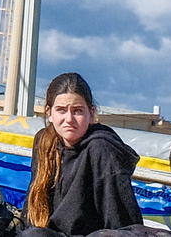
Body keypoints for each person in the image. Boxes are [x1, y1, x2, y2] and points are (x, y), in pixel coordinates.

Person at [24, 72, 143, 237]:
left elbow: (121, 222)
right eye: (61, 110)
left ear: (91, 114)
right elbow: (31, 209)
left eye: (77, 111)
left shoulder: (102, 149)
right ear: (49, 113)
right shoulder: (45, 142)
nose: (69, 119)